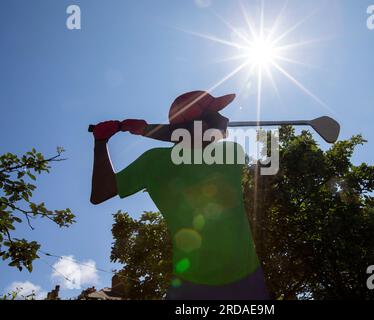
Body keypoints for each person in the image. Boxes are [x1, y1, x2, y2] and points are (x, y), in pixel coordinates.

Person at [90, 91, 269, 299]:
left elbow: (101, 192)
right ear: (196, 123)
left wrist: (103, 141)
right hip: (208, 285)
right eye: (215, 114)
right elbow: (100, 194)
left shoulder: (155, 162)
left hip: (238, 282)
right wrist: (146, 130)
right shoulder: (227, 153)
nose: (224, 120)